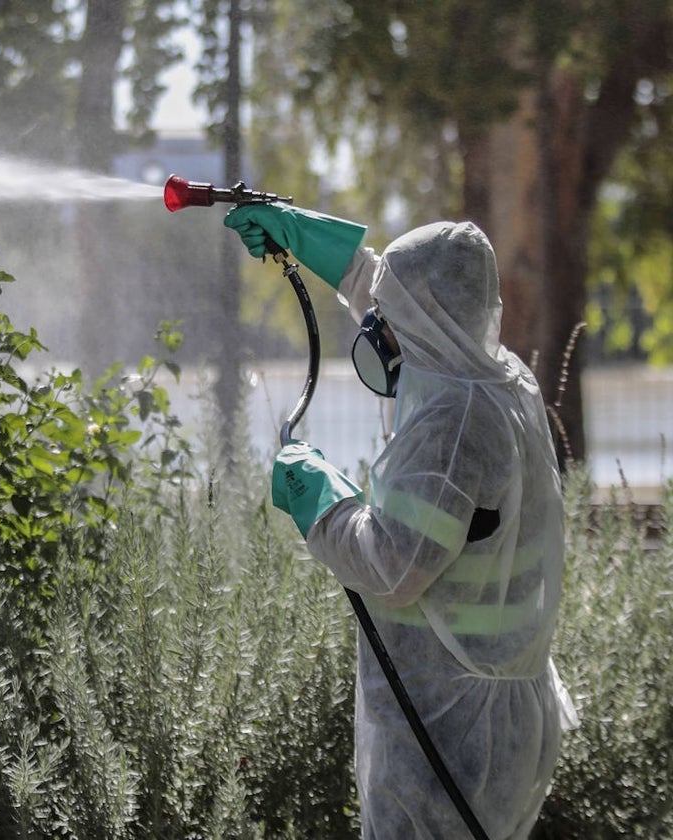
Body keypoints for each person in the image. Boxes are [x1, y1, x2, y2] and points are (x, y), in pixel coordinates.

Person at [224, 205, 577, 839]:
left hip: (449, 725)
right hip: (496, 708)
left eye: (388, 318)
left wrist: (321, 502)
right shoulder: (502, 379)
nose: (377, 330)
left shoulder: (451, 427)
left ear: (424, 321)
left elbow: (392, 567)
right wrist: (295, 230)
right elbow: (386, 288)